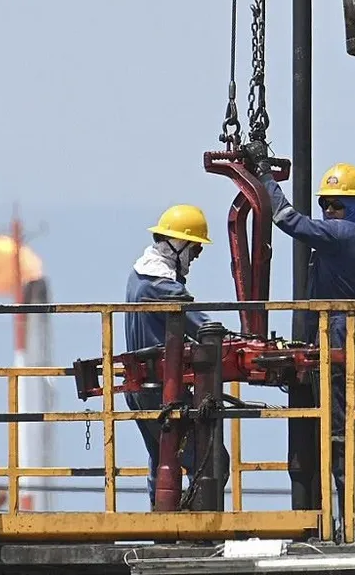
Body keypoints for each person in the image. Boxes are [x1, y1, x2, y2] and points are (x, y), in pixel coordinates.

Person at [243, 142, 355, 514]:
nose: (328, 211)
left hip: (343, 343)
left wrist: (263, 175)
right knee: (342, 435)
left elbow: (286, 219)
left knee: (342, 437)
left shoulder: (343, 236)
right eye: (325, 204)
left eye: (336, 204)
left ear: (354, 207)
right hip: (340, 342)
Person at [124, 204, 230, 509]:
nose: (194, 258)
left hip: (142, 388)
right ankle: (192, 523)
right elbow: (202, 329)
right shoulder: (163, 288)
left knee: (162, 458)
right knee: (210, 459)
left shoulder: (139, 275)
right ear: (179, 245)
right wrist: (232, 338)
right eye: (195, 251)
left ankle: (164, 524)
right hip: (162, 390)